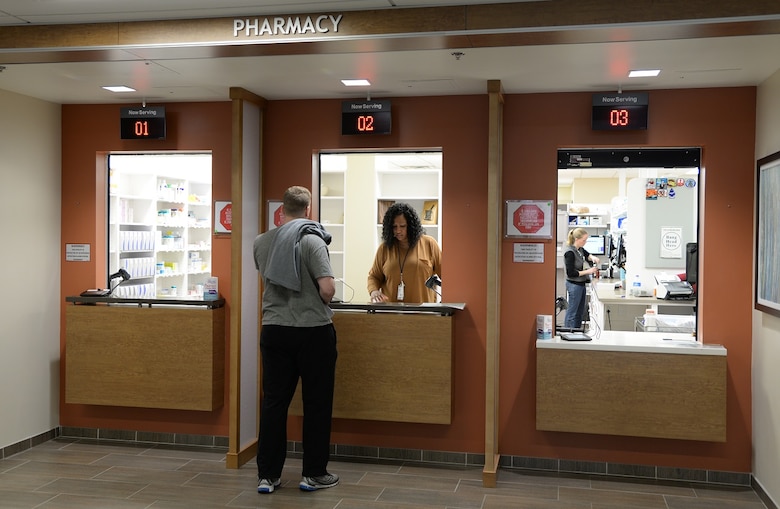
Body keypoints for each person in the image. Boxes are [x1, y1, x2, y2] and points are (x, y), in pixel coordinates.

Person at [252, 185, 339, 494]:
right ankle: (313, 473)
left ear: (282, 210)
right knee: (316, 403)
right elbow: (327, 288)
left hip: (274, 330)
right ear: (308, 209)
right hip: (312, 331)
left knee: (274, 403)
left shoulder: (262, 242)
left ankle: (268, 476)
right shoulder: (312, 240)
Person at [368, 202, 442, 303]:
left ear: (411, 226)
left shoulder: (429, 244)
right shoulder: (384, 248)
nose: (398, 231)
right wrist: (374, 291)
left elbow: (446, 276)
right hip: (391, 313)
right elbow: (374, 276)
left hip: (424, 314)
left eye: (402, 226)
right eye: (394, 227)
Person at [563, 227, 600, 330]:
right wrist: (589, 271)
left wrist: (593, 258)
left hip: (581, 284)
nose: (585, 242)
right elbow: (571, 273)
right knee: (572, 312)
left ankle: (577, 332)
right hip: (574, 285)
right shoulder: (569, 252)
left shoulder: (580, 249)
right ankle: (568, 333)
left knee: (580, 311)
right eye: (584, 240)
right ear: (576, 239)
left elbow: (587, 255)